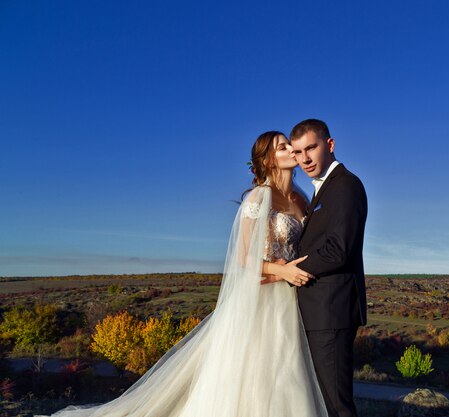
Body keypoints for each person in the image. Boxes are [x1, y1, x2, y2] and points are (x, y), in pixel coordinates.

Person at [37, 131, 328, 417]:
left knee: (287, 369)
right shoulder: (259, 197)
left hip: (293, 296)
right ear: (266, 161)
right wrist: (281, 270)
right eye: (282, 147)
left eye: (290, 145)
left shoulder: (302, 199)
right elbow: (244, 259)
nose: (292, 150)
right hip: (263, 298)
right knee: (256, 371)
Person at [291, 119, 368, 417]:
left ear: (330, 145)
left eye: (311, 147)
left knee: (336, 405)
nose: (305, 158)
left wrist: (290, 270)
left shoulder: (346, 185)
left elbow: (339, 249)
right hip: (319, 313)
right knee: (323, 402)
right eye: (298, 152)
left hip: (331, 313)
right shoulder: (322, 190)